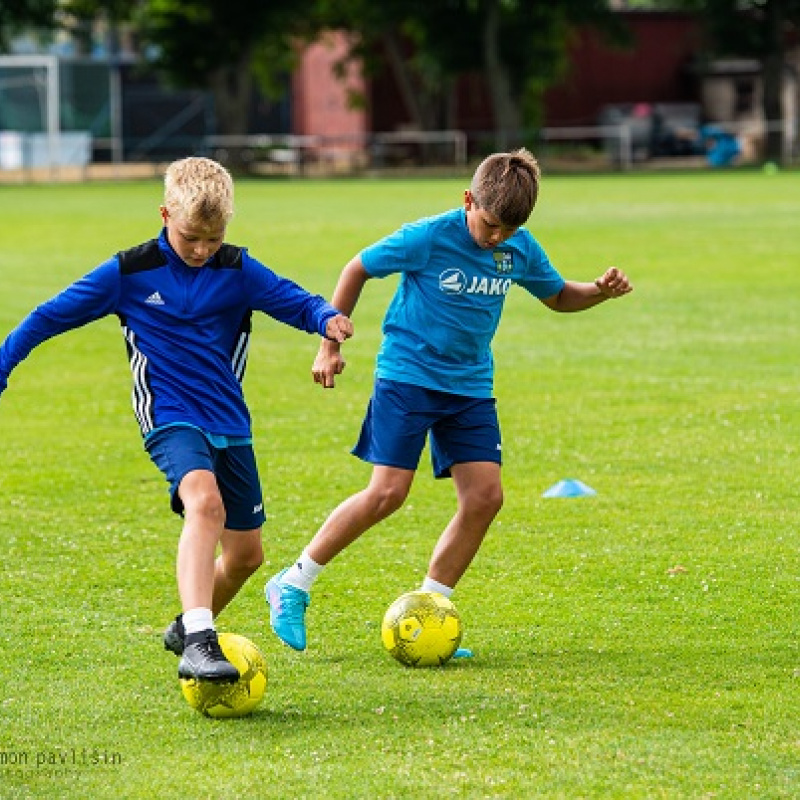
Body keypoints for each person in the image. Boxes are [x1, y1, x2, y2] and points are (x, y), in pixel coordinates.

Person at [0, 157, 353, 682]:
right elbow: (50, 315)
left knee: (245, 556)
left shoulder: (237, 270)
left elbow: (294, 300)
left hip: (229, 421)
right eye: (191, 237)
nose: (202, 250)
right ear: (165, 214)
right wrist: (4, 364)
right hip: (168, 413)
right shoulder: (130, 272)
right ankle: (200, 641)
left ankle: (185, 625)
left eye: (214, 238)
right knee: (203, 503)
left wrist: (327, 318)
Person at [265, 148, 632, 652]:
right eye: (489, 224)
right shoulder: (429, 236)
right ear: (468, 200)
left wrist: (598, 290)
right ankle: (293, 582)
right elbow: (357, 269)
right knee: (387, 494)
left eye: (508, 229)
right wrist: (328, 344)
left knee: (485, 497)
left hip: (470, 386)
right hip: (409, 375)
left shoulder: (518, 247)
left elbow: (558, 295)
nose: (496, 237)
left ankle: (430, 610)